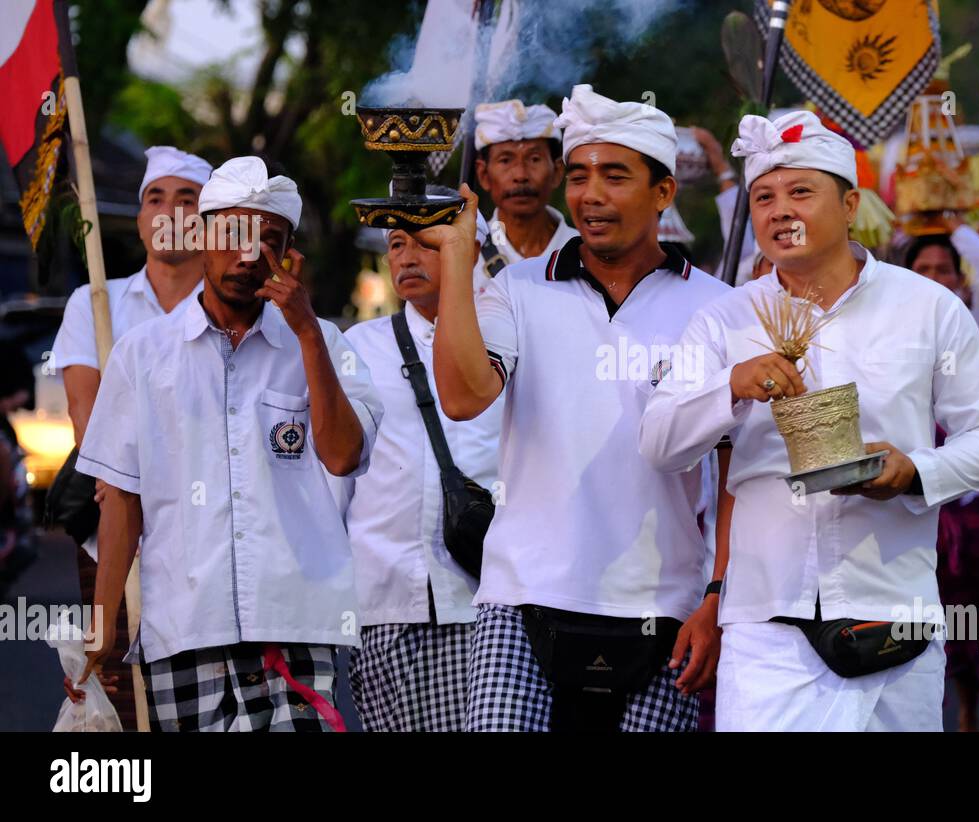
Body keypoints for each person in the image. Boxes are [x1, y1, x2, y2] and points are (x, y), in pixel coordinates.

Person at [639, 110, 979, 731]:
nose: (779, 210)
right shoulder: (726, 319)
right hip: (768, 625)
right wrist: (731, 387)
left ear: (850, 204)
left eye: (800, 192)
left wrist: (912, 470)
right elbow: (659, 443)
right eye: (763, 197)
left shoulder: (926, 307)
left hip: (895, 617)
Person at [431, 84, 731, 732]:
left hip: (666, 608)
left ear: (663, 193)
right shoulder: (515, 288)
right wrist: (459, 262)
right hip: (522, 597)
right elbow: (462, 396)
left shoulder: (715, 306)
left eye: (615, 176)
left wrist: (716, 595)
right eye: (581, 174)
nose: (590, 195)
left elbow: (738, 473)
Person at [73, 157, 383, 731]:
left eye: (269, 241)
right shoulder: (143, 353)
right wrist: (103, 624)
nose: (248, 255)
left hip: (294, 628)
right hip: (184, 628)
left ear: (290, 254)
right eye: (234, 234)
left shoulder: (326, 343)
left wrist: (308, 332)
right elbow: (121, 496)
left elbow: (342, 455)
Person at [53, 145, 212, 725]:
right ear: (140, 218)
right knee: (120, 691)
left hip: (210, 537)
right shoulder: (97, 302)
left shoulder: (233, 309)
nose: (170, 210)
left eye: (187, 198)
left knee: (202, 691)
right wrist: (128, 483)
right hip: (114, 528)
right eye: (156, 197)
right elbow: (87, 416)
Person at [331, 208, 502, 732]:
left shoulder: (509, 342)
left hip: (495, 601)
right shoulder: (357, 347)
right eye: (398, 243)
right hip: (390, 602)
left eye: (425, 242)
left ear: (467, 250)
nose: (406, 256)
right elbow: (334, 484)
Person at [472, 99, 577, 293]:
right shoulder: (466, 257)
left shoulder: (588, 253)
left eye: (534, 159)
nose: (520, 175)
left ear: (557, 172)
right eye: (505, 160)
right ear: (483, 175)